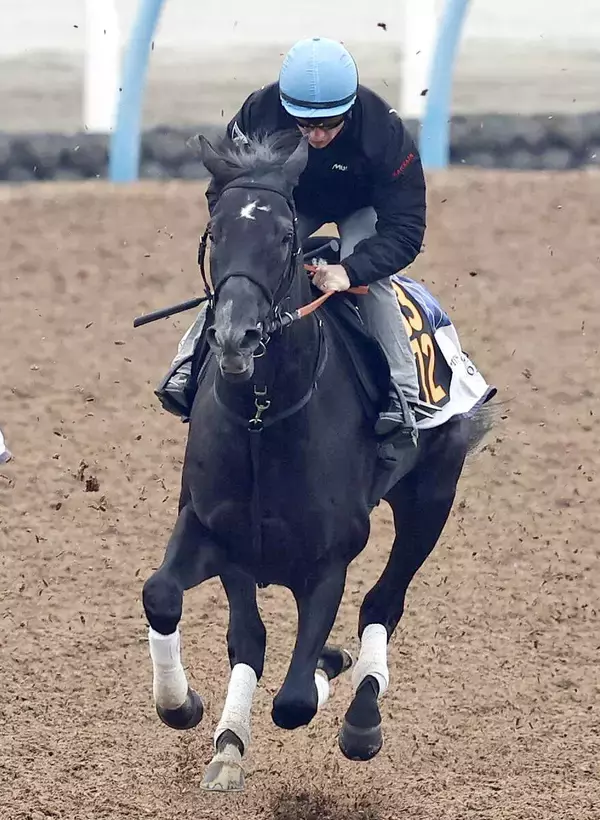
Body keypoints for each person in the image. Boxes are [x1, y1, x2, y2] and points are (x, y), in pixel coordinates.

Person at [156, 36, 429, 452]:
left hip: (364, 207)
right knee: (245, 264)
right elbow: (226, 189)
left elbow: (406, 229)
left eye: (329, 125)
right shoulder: (258, 113)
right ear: (286, 109)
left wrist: (349, 270)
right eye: (305, 125)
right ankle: (186, 365)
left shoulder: (384, 133)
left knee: (371, 282)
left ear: (350, 108)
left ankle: (404, 395)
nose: (317, 136)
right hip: (289, 202)